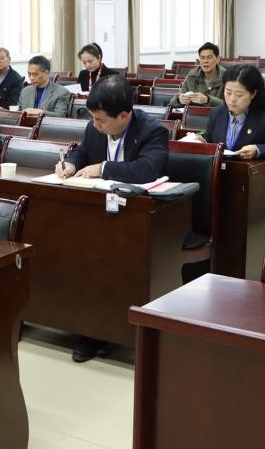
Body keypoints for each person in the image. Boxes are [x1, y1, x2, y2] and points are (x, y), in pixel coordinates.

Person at [55, 74, 168, 363]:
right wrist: (71, 165)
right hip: (96, 215)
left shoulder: (152, 131)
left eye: (101, 120)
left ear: (124, 115)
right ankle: (88, 329)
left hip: (134, 220)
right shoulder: (95, 127)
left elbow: (147, 169)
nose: (96, 125)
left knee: (107, 258)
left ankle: (108, 331)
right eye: (93, 119)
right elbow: (82, 152)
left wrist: (103, 168)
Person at [203, 64, 265, 162]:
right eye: (228, 93)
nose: (232, 99)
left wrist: (257, 150)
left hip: (246, 170)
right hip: (217, 169)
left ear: (253, 94)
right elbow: (209, 141)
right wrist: (201, 141)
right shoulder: (217, 114)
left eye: (239, 95)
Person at [170, 42, 225, 108]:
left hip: (217, 114)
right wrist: (179, 100)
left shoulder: (227, 77)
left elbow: (229, 105)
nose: (205, 61)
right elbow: (172, 103)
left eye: (209, 57)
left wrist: (207, 100)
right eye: (202, 58)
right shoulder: (192, 76)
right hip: (194, 114)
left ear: (218, 59)